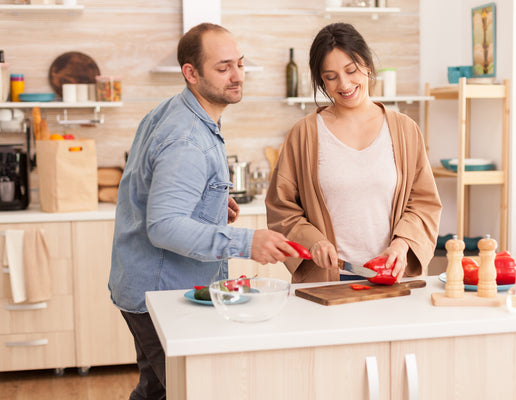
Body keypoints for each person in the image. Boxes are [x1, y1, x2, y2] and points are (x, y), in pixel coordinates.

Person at [108, 23, 297, 400]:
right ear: (191, 73)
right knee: (191, 391)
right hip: (160, 293)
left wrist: (206, 203)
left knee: (156, 392)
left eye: (240, 65)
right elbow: (163, 227)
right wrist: (247, 241)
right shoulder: (188, 138)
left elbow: (146, 190)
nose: (237, 76)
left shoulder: (176, 110)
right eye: (223, 67)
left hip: (142, 286)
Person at [266, 22, 441, 284]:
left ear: (367, 65)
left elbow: (424, 204)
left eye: (351, 70)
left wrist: (403, 244)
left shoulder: (405, 130)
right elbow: (282, 209)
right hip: (326, 282)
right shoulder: (303, 134)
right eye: (331, 76)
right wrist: (313, 242)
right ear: (320, 80)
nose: (344, 84)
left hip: (391, 278)